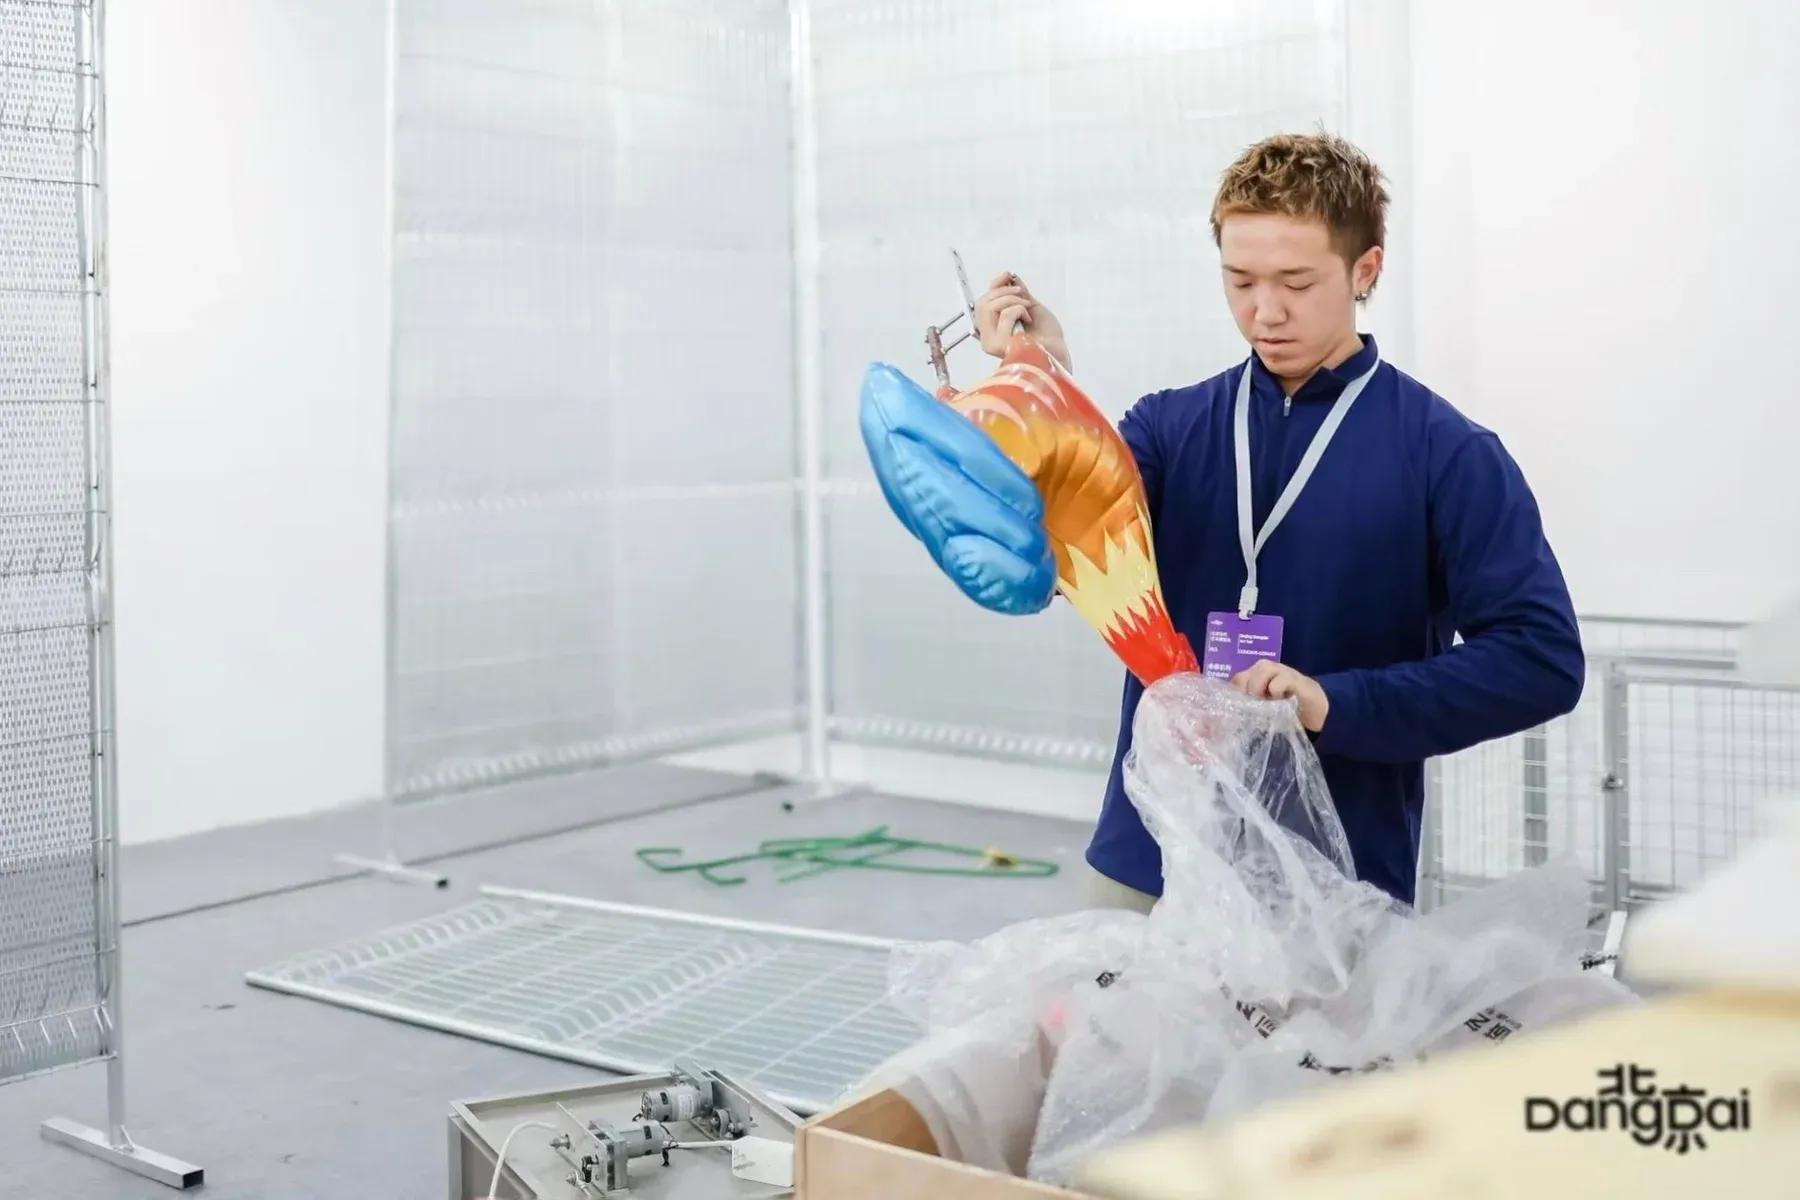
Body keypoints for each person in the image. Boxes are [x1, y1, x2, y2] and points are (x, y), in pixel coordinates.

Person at [964, 131, 1586, 910]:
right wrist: (1041, 382)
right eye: (1240, 281)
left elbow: (1541, 660)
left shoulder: (1446, 454)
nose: (1264, 312)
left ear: (1366, 270)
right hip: (1148, 860)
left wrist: (1334, 704)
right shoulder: (1167, 429)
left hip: (1332, 889)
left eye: (1296, 282)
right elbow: (1069, 542)